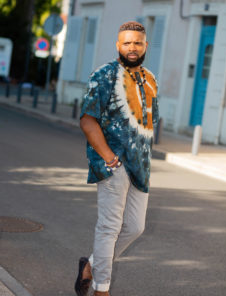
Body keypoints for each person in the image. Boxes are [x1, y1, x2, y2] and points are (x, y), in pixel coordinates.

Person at [74, 21, 159, 296]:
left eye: (137, 43)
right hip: (112, 164)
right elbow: (88, 121)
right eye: (126, 43)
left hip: (141, 167)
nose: (132, 48)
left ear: (145, 45)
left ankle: (91, 265)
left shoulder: (150, 79)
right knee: (109, 228)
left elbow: (148, 124)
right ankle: (101, 289)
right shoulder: (104, 75)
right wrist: (109, 158)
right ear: (117, 45)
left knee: (135, 227)